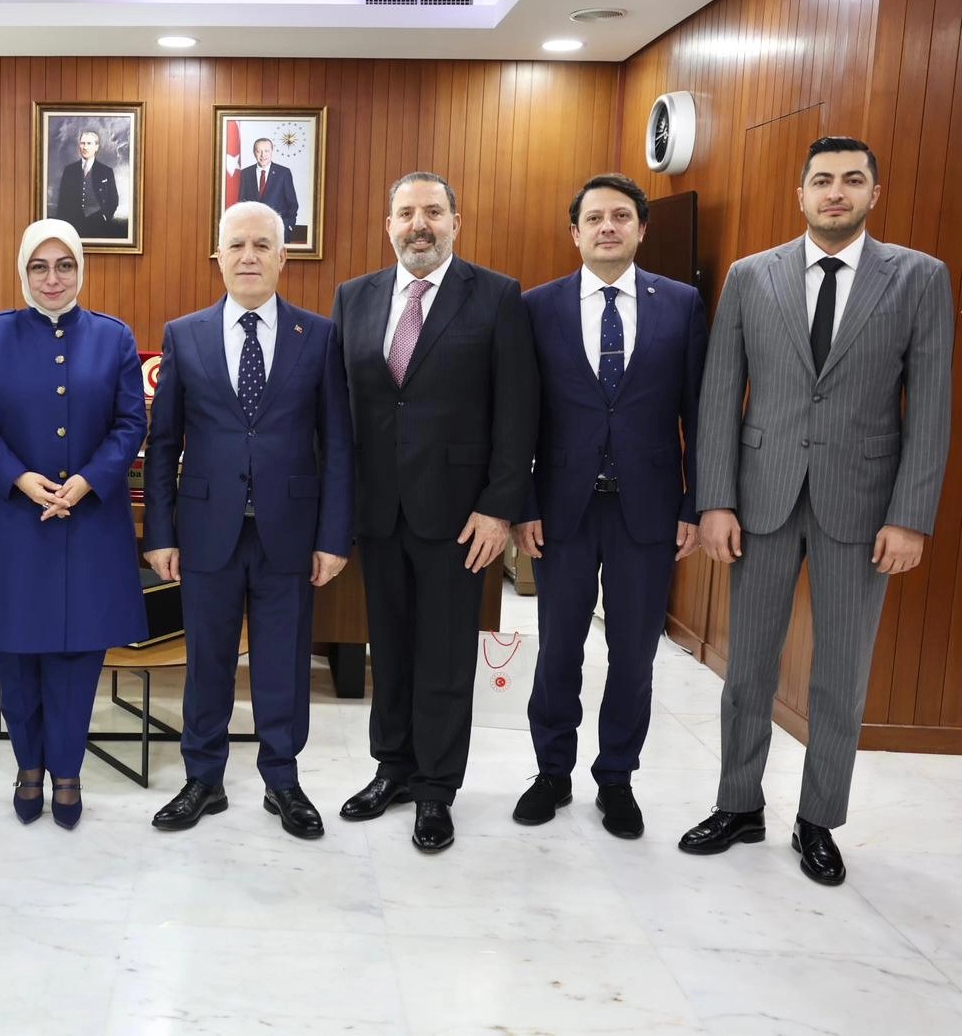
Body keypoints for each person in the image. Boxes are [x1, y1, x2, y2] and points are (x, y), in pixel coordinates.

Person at [680, 136, 953, 886]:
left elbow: (930, 405)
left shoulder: (918, 278)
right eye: (823, 180)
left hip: (863, 507)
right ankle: (738, 803)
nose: (836, 192)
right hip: (760, 499)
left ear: (873, 193)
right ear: (799, 194)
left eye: (852, 180)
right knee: (747, 668)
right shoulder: (750, 275)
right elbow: (718, 396)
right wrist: (715, 499)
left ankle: (817, 820)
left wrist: (910, 516)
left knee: (840, 672)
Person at [331, 171, 539, 854]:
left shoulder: (496, 296)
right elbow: (344, 408)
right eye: (405, 213)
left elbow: (516, 411)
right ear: (388, 225)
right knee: (388, 648)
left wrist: (498, 508)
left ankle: (435, 788)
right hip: (378, 511)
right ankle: (391, 769)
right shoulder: (354, 297)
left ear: (455, 222)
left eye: (431, 212)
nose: (418, 225)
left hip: (459, 518)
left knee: (445, 657)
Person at [144, 201, 353, 840]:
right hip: (207, 530)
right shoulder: (185, 335)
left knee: (283, 662)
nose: (249, 256)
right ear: (218, 256)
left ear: (283, 257)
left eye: (262, 245)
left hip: (290, 532)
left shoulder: (319, 336)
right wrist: (160, 533)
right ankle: (202, 778)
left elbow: (337, 444)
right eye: (236, 245)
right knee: (207, 659)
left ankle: (282, 780)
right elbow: (164, 443)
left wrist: (333, 536)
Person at [513, 173, 708, 839]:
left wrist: (694, 504)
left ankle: (617, 777)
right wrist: (523, 503)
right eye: (593, 218)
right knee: (557, 650)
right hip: (560, 510)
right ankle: (551, 772)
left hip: (647, 511)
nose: (607, 227)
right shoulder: (537, 306)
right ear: (574, 233)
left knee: (633, 655)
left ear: (640, 229)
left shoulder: (680, 303)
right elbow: (522, 416)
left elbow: (698, 411)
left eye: (620, 216)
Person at [0, 218, 148, 830]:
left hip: (89, 521)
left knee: (79, 654)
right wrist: (19, 477)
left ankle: (67, 770)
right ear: (23, 271)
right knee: (16, 650)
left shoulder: (113, 337)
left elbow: (130, 423)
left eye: (64, 265)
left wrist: (88, 480)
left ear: (80, 269)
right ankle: (27, 765)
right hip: (13, 520)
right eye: (40, 266)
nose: (52, 278)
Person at [54, 130, 121, 239]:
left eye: (89, 143)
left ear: (96, 147)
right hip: (73, 225)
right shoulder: (69, 170)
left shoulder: (106, 171)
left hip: (98, 224)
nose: (85, 147)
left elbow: (113, 199)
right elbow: (62, 200)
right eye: (82, 143)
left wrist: (105, 216)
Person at [237, 138, 299, 242]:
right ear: (254, 152)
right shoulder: (245, 174)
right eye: (259, 151)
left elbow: (292, 203)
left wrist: (288, 225)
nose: (263, 155)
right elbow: (241, 203)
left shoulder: (283, 173)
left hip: (277, 231)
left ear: (272, 151)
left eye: (266, 151)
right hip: (252, 232)